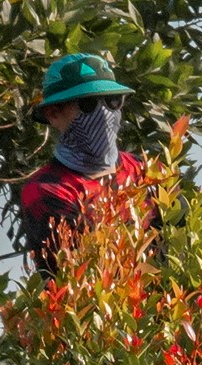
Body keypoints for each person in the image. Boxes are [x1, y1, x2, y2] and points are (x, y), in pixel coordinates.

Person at [15, 52, 133, 270]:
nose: (105, 113)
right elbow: (81, 270)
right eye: (88, 104)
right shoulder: (46, 190)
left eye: (113, 100)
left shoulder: (145, 170)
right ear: (53, 114)